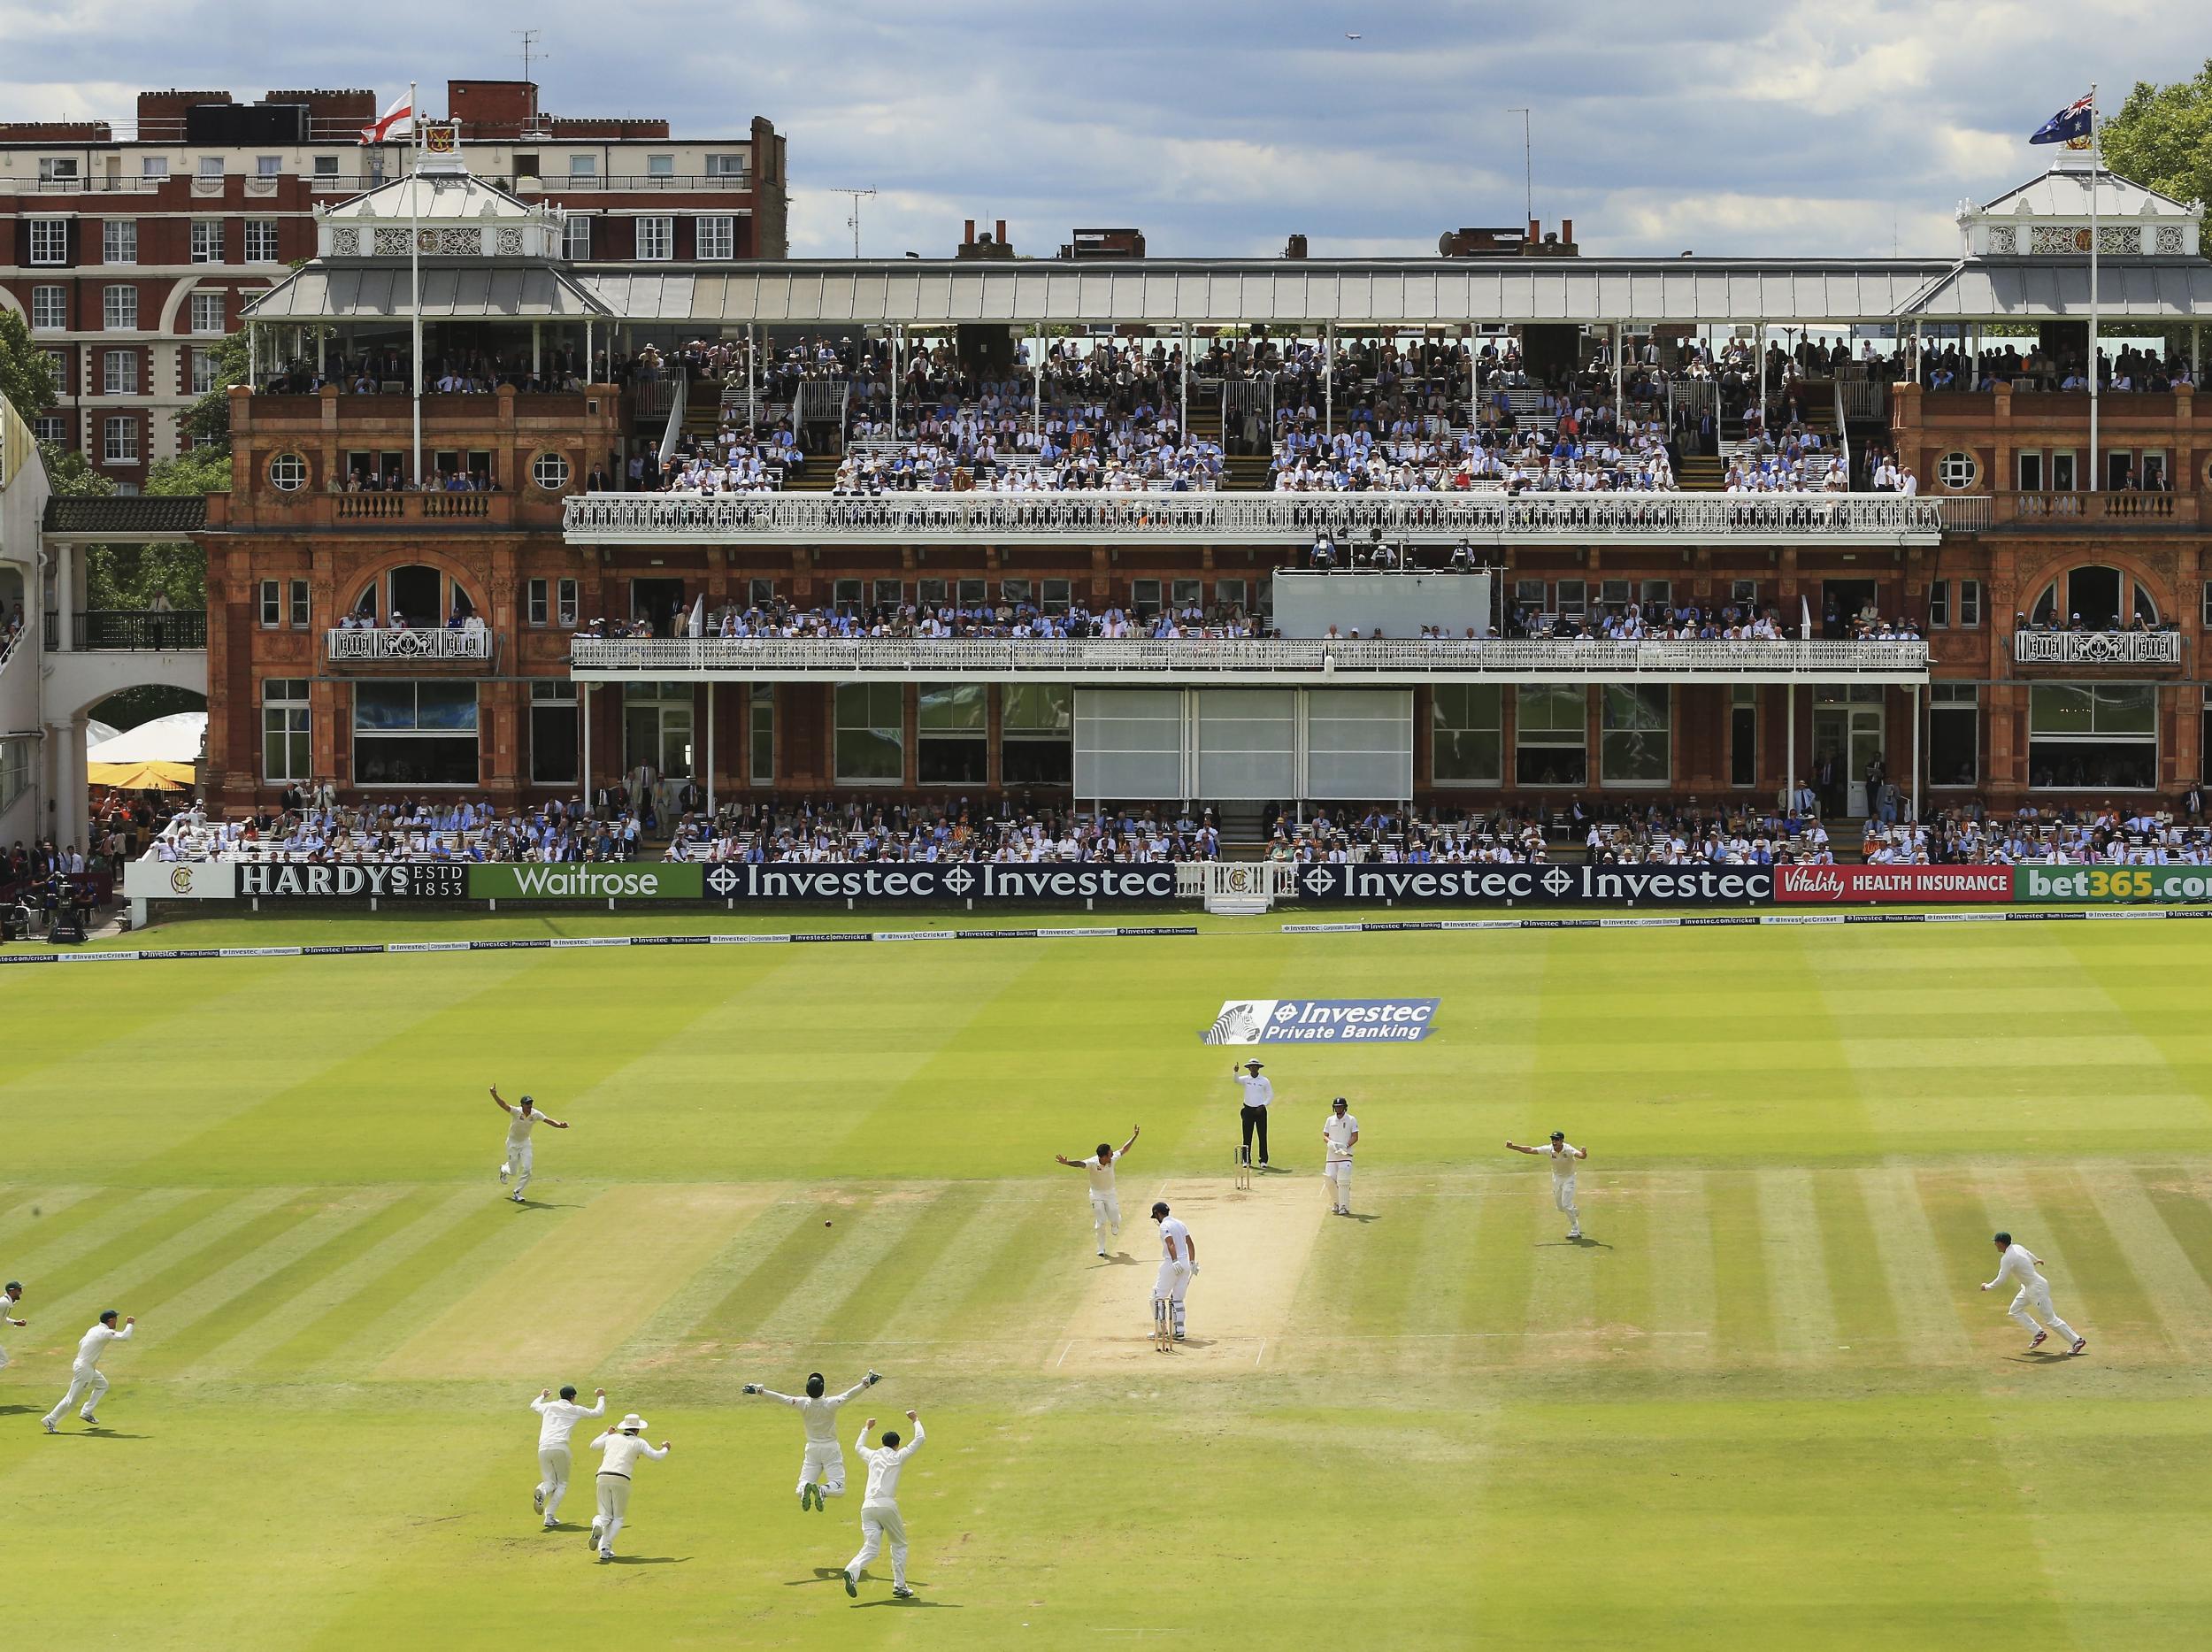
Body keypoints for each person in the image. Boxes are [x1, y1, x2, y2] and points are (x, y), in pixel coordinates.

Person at [741, 1368, 883, 1511]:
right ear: (822, 1389)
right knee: (839, 1487)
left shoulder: (803, 1403)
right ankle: (821, 1490)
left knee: (801, 1486)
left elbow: (783, 1399)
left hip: (812, 1450)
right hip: (830, 1449)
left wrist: (760, 1391)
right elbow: (848, 1395)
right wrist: (866, 1383)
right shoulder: (830, 1404)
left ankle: (805, 1492)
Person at [842, 1410, 925, 1600]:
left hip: (867, 1507)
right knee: (899, 1544)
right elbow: (920, 1439)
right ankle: (900, 1586)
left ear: (883, 1443)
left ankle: (851, 1571)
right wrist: (915, 1420)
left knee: (871, 1548)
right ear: (897, 1445)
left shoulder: (872, 1456)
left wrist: (866, 1428)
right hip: (886, 1505)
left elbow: (858, 1447)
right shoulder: (898, 1455)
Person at [1981, 1232, 2087, 1355]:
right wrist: (2036, 1260)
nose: (1995, 1244)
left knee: (2051, 1319)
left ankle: (2077, 1340)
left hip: (2037, 1289)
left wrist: (1987, 1287)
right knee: (2015, 1311)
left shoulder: (2007, 1258)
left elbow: (2001, 1279)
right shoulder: (2017, 1247)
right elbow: (2027, 1253)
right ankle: (2039, 1334)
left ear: (2000, 1243)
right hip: (2028, 1287)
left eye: (1996, 1242)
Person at [588, 1413, 671, 1561]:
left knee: (605, 1515)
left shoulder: (611, 1438)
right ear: (637, 1430)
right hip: (621, 1478)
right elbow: (657, 1456)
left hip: (602, 1476)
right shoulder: (639, 1442)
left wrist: (607, 1433)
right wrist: (665, 1448)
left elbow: (593, 1445)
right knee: (618, 1518)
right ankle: (605, 1548)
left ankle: (598, 1524)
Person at [42, 1309, 133, 1432]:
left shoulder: (94, 1329)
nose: (117, 1321)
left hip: (85, 1365)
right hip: (85, 1368)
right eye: (116, 1318)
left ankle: (86, 1411)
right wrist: (130, 1324)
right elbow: (124, 1337)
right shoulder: (104, 1332)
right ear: (111, 1320)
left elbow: (81, 1342)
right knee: (71, 1400)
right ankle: (50, 1419)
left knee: (102, 1385)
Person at [1055, 1126, 1140, 1257]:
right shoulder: (1093, 1162)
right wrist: (1067, 1163)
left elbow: (1124, 1149)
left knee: (1115, 1217)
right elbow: (1081, 1164)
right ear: (1104, 1156)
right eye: (1110, 1153)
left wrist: (1134, 1136)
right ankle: (1101, 1248)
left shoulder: (1112, 1159)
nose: (1112, 1154)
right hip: (1096, 1194)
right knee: (1100, 1221)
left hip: (1110, 1193)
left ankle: (1115, 1223)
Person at [531, 1383, 606, 1529]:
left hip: (543, 1448)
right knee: (562, 1484)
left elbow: (534, 1405)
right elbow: (598, 1413)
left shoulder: (549, 1406)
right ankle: (549, 1516)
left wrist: (542, 1396)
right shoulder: (574, 1409)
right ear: (572, 1397)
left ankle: (542, 1490)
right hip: (560, 1447)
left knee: (550, 1482)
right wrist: (601, 1396)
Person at [490, 1085, 569, 1203]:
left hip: (525, 1143)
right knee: (513, 1171)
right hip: (512, 1143)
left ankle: (517, 1192)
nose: (529, 1106)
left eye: (530, 1103)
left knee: (527, 1169)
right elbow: (503, 1105)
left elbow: (547, 1120)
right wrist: (494, 1095)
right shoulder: (516, 1112)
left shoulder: (535, 1113)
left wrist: (559, 1125)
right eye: (527, 1104)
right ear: (522, 1105)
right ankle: (503, 1169)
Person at [1506, 1131, 1587, 1240]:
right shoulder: (1549, 1149)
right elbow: (1530, 1150)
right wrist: (1513, 1147)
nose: (1554, 1142)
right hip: (1556, 1179)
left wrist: (1583, 1153)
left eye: (1556, 1139)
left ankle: (1575, 1229)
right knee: (1561, 1208)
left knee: (1566, 1205)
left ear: (1562, 1140)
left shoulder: (1568, 1149)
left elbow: (1581, 1156)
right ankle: (1573, 1210)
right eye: (1553, 1139)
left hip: (1569, 1179)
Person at [1151, 1200, 1196, 1342]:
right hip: (1185, 1264)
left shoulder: (1164, 1225)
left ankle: (1161, 1331)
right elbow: (1190, 1243)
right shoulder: (1180, 1223)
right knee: (1177, 1299)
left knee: (1156, 1298)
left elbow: (1170, 1243)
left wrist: (1175, 1260)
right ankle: (1180, 1331)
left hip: (1172, 1263)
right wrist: (1192, 1262)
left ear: (1158, 1214)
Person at [1232, 1058, 1273, 1171]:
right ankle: (1246, 1160)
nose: (1253, 1068)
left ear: (1258, 1068)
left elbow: (1270, 1095)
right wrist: (1235, 1072)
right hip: (1248, 1110)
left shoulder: (1264, 1080)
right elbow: (1236, 1081)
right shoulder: (1246, 1079)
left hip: (1260, 1111)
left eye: (1255, 1066)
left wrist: (1263, 1105)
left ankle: (1263, 1160)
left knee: (1262, 1136)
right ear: (1249, 1068)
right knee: (1247, 1136)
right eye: (1251, 1066)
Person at [1322, 1096, 1359, 1217]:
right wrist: (1330, 1143)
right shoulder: (1330, 1120)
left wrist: (1346, 1145)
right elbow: (1325, 1136)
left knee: (1343, 1181)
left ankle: (1344, 1206)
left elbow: (1355, 1136)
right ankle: (1336, 1203)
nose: (1338, 1109)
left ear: (1345, 1107)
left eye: (1340, 1107)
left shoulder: (1351, 1119)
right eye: (1337, 1107)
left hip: (1345, 1155)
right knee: (1329, 1180)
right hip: (1332, 1156)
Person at [0, 1280, 23, 1371]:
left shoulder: (6, 1303)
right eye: (19, 1290)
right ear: (11, 1291)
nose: (21, 1292)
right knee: (3, 1360)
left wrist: (15, 1322)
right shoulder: (3, 1302)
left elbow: (3, 1318)